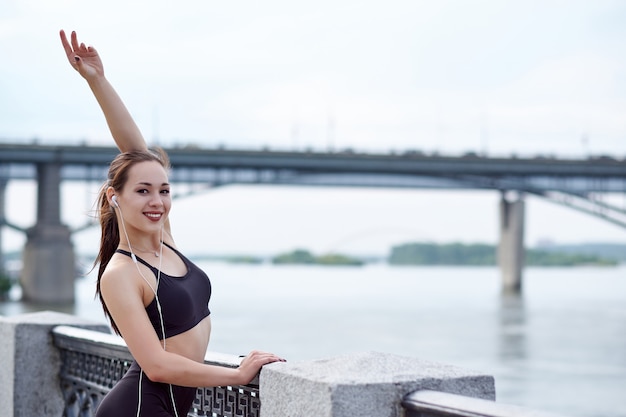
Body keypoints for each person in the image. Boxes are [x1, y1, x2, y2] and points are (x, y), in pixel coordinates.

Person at [59, 29, 285, 417]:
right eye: (143, 191)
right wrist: (236, 374)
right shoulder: (121, 272)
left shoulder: (164, 241)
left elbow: (136, 151)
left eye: (164, 190)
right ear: (116, 198)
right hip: (141, 407)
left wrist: (98, 80)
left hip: (174, 406)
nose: (157, 201)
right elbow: (157, 365)